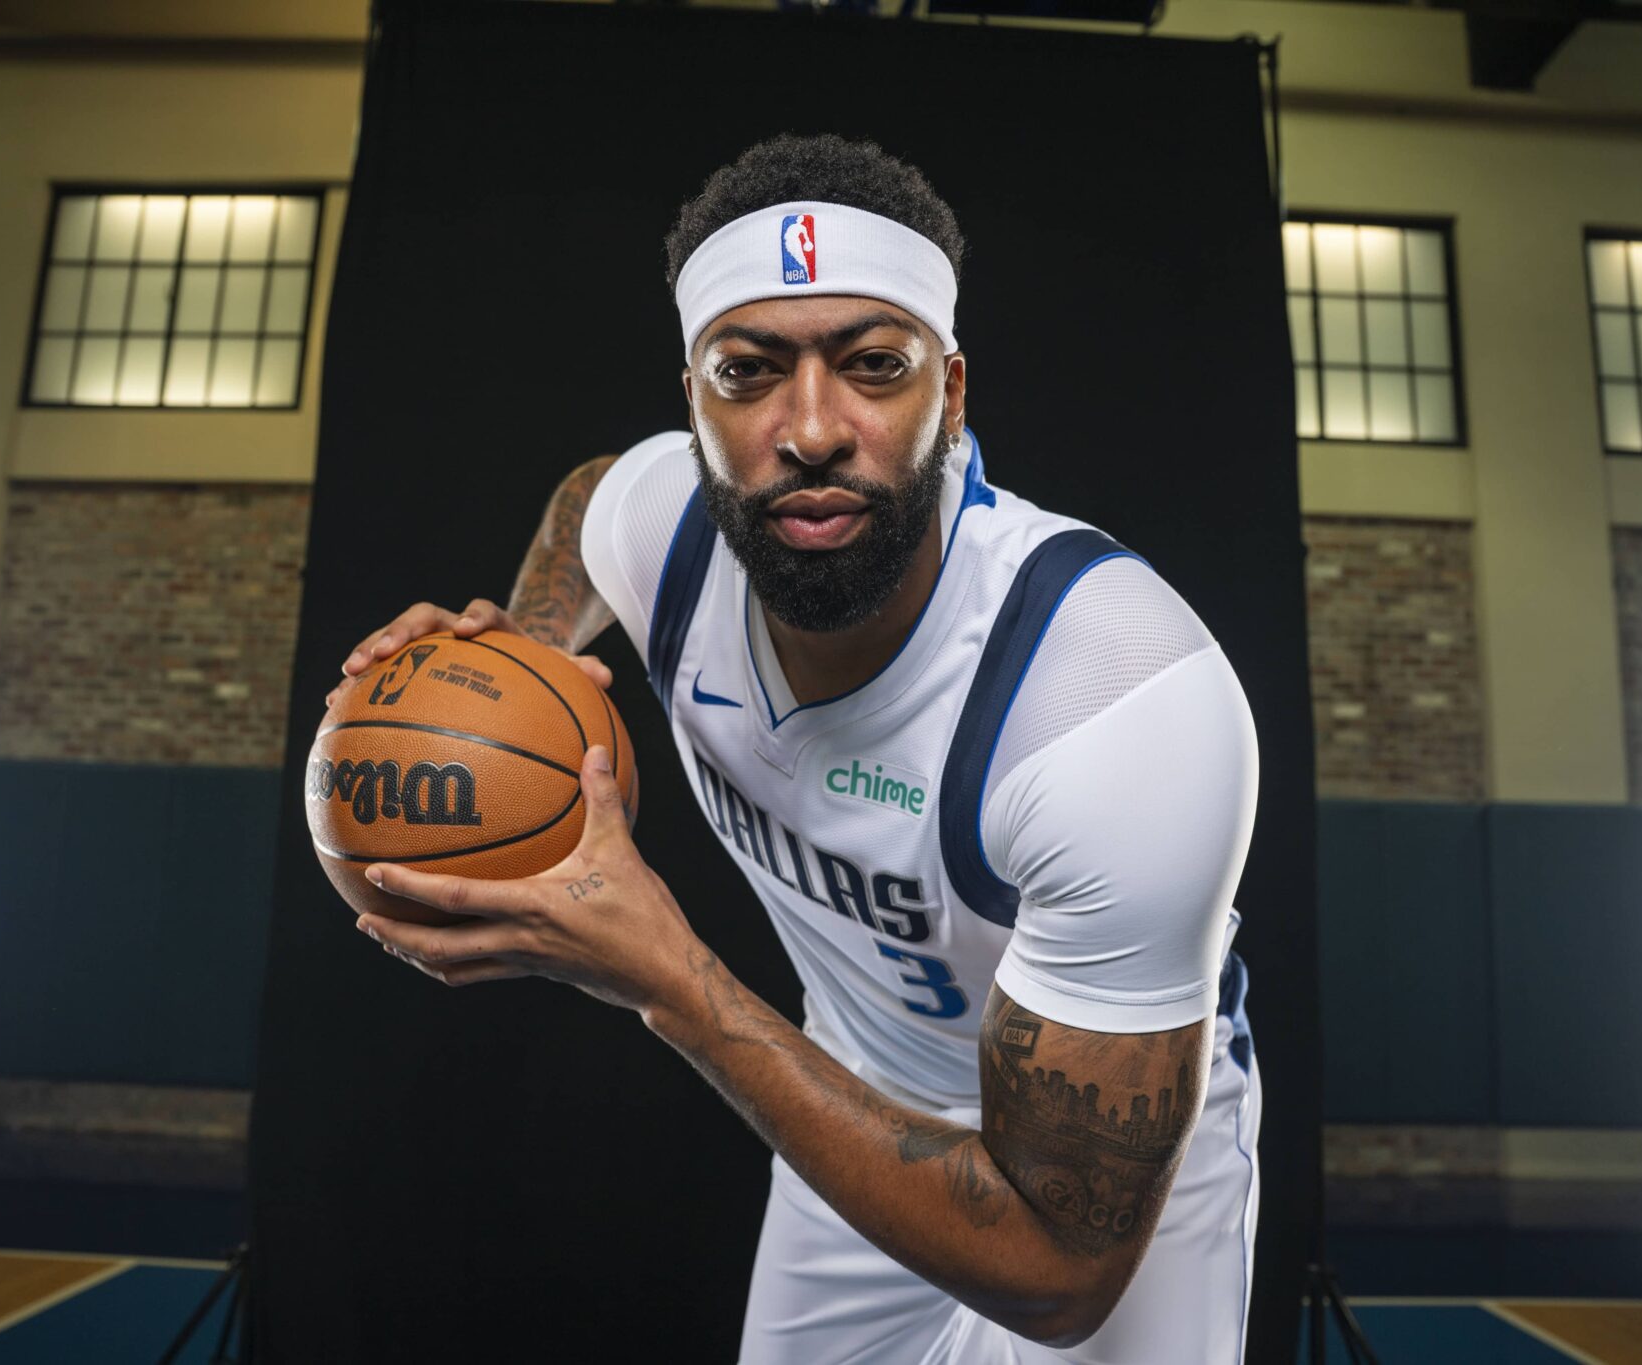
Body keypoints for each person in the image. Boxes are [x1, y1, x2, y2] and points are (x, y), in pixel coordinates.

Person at [329, 132, 1262, 1364]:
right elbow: (587, 494)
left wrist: (675, 983)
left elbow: (1058, 1271)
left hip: (1099, 1181)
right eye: (747, 369)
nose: (810, 427)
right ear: (695, 404)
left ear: (953, 392)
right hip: (847, 1097)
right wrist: (521, 658)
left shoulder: (1109, 702)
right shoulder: (662, 524)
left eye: (873, 365)